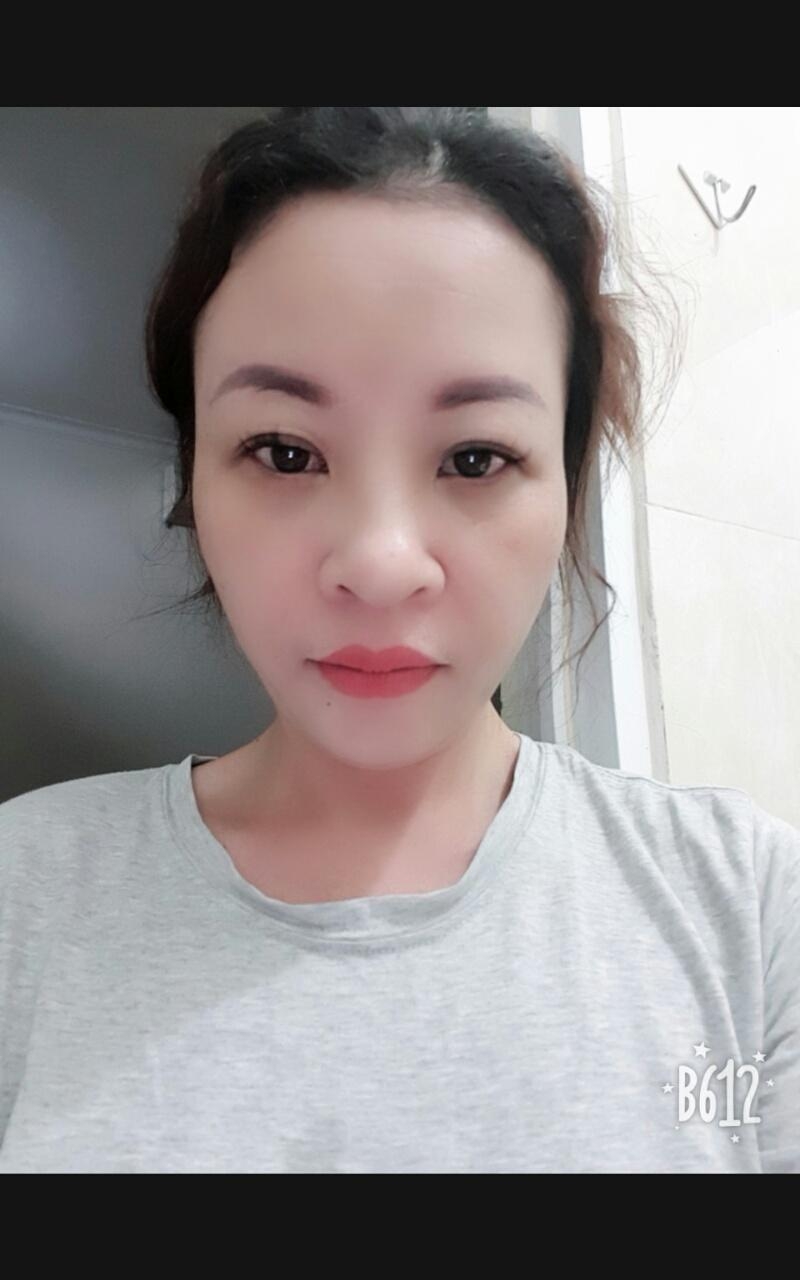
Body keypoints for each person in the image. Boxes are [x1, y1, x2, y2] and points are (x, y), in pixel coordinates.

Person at [1, 107, 797, 1174]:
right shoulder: (25, 894)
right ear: (194, 480)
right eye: (284, 451)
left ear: (566, 487)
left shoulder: (747, 904)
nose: (380, 564)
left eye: (474, 459)